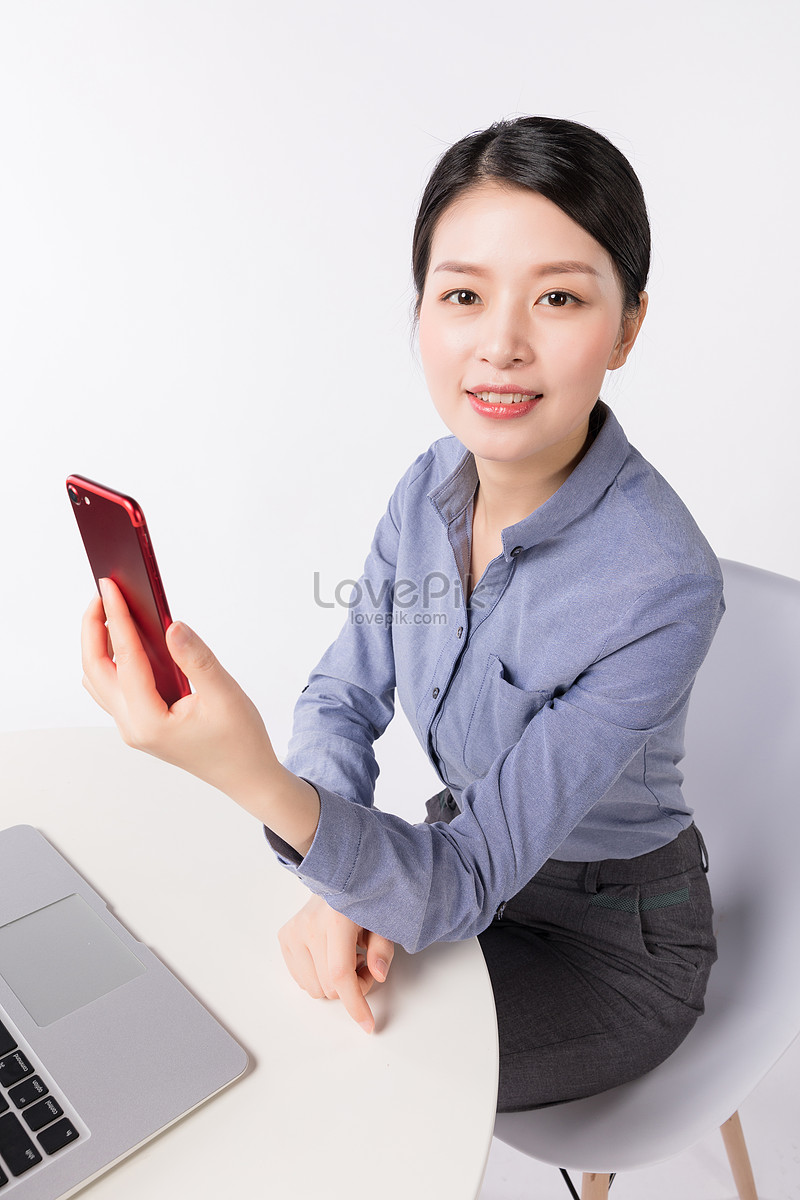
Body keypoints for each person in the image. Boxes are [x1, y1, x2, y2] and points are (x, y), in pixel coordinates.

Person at [81, 115, 724, 1113]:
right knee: (258, 1020)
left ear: (628, 325)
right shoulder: (427, 488)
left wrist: (260, 785)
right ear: (420, 311)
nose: (500, 345)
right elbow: (343, 698)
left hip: (607, 939)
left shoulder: (660, 584)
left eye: (557, 297)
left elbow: (461, 882)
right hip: (452, 850)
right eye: (462, 294)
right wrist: (334, 878)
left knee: (338, 1082)